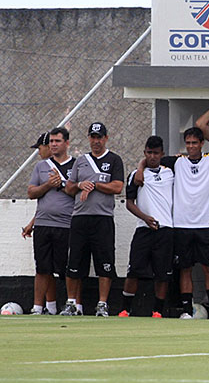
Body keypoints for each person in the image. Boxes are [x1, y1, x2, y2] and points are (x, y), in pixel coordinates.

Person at [163, 127, 209, 320]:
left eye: (194, 143)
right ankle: (186, 309)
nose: (191, 146)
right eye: (188, 143)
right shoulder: (177, 162)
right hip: (182, 225)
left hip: (206, 224)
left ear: (202, 143)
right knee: (185, 269)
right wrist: (141, 167)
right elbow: (152, 158)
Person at [61, 123, 124, 317]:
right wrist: (80, 184)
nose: (96, 141)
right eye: (93, 137)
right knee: (74, 261)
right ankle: (71, 303)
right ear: (89, 138)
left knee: (104, 262)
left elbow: (117, 187)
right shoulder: (81, 161)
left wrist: (95, 185)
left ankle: (102, 304)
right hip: (80, 218)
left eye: (100, 137)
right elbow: (69, 188)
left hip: (103, 219)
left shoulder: (114, 160)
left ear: (106, 138)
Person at [119, 135, 174, 318]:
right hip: (144, 228)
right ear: (144, 153)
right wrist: (145, 218)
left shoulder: (170, 171)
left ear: (162, 154)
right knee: (134, 271)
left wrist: (142, 165)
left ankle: (157, 311)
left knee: (162, 274)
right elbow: (129, 203)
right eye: (149, 153)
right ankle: (125, 309)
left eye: (156, 153)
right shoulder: (135, 175)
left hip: (165, 229)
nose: (152, 156)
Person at [26, 127, 74, 315]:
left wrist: (60, 184)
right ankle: (40, 307)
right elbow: (31, 192)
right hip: (44, 224)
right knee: (42, 267)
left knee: (66, 268)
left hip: (66, 224)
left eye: (57, 141)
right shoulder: (41, 167)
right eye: (51, 141)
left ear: (66, 143)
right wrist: (48, 184)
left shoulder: (76, 165)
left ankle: (73, 305)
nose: (53, 144)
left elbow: (77, 191)